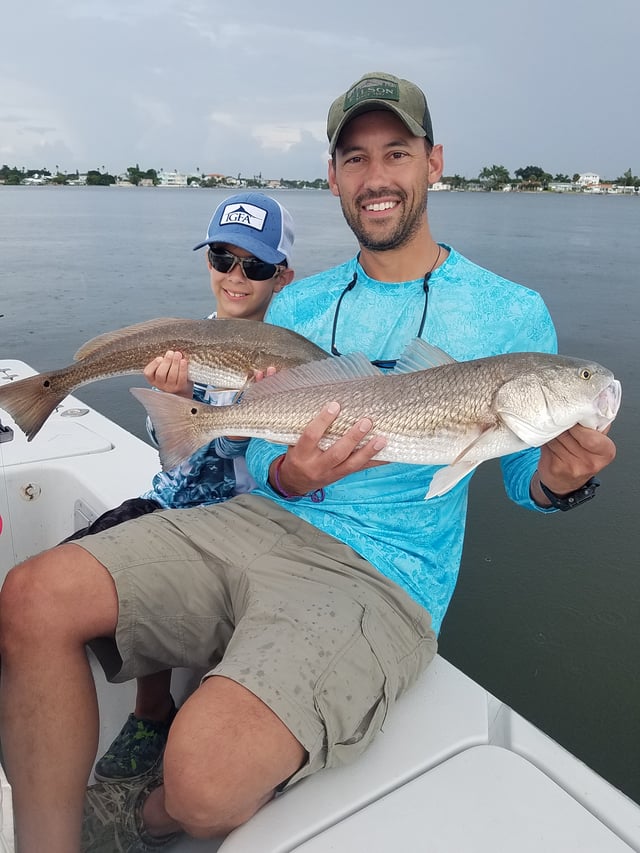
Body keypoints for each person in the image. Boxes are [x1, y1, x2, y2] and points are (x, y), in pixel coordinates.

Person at [0, 72, 616, 853]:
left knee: (202, 779)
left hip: (383, 576)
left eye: (396, 151)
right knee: (31, 596)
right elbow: (261, 455)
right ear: (333, 177)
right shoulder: (299, 303)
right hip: (259, 518)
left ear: (433, 162)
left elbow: (518, 480)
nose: (377, 176)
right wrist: (293, 475)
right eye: (355, 159)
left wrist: (561, 483)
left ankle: (134, 817)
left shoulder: (512, 313)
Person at [58, 191, 295, 785]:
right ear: (206, 261)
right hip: (173, 499)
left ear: (282, 276)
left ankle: (162, 712)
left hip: (251, 516)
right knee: (64, 577)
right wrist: (180, 400)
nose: (236, 277)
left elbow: (282, 451)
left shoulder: (293, 354)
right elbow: (166, 445)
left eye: (256, 266)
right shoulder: (184, 340)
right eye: (223, 257)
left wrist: (237, 410)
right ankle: (152, 708)